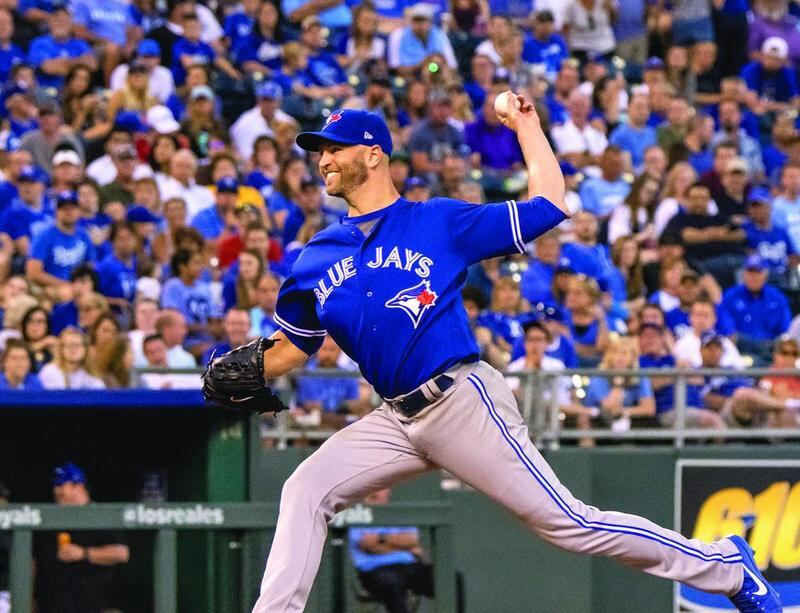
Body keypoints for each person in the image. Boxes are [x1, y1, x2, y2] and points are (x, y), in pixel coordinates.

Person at [204, 102, 777, 611]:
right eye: (319, 150)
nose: (323, 159)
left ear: (373, 154)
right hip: (395, 419)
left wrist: (526, 125)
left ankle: (724, 565)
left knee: (566, 522)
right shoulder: (316, 255)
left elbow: (549, 204)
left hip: (459, 400)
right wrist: (246, 367)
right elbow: (292, 349)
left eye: (335, 147)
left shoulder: (437, 221)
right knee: (305, 488)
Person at [33, 462, 129, 613]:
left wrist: (84, 553)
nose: (57, 491)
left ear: (78, 486)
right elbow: (33, 560)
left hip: (92, 604)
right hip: (51, 606)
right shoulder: (49, 519)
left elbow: (121, 553)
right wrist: (29, 597)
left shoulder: (99, 516)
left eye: (61, 485)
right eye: (56, 486)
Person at [348, 488, 435, 613]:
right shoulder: (358, 515)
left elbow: (412, 540)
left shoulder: (399, 514)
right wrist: (403, 547)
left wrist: (381, 538)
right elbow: (367, 545)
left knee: (446, 578)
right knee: (391, 583)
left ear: (388, 492)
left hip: (408, 566)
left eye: (382, 488)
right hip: (374, 570)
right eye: (374, 488)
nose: (376, 492)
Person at [718, 254, 792, 365]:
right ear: (743, 274)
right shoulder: (730, 297)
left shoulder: (777, 297)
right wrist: (759, 346)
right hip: (740, 353)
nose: (754, 277)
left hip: (772, 353)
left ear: (765, 274)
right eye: (750, 272)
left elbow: (785, 332)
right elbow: (729, 333)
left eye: (758, 272)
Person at [38, 327, 105, 389]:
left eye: (77, 345)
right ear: (61, 349)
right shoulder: (49, 371)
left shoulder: (92, 378)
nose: (73, 349)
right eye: (69, 345)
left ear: (85, 349)